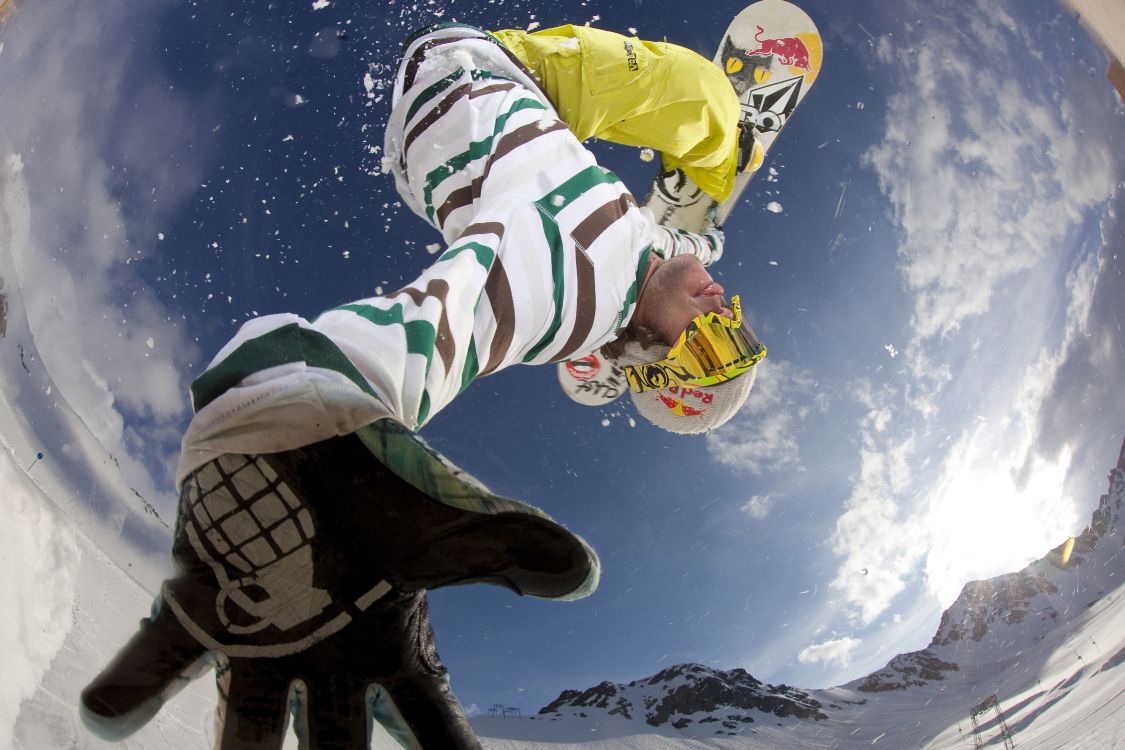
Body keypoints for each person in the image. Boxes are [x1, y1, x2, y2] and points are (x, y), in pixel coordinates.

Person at [80, 23, 765, 749]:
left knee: (709, 106)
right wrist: (694, 246)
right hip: (476, 166)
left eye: (719, 344)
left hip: (478, 78)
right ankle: (657, 271)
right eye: (742, 331)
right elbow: (676, 264)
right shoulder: (646, 267)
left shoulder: (568, 282)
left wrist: (296, 413)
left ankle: (706, 168)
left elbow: (447, 326)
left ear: (655, 362)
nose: (726, 309)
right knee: (680, 247)